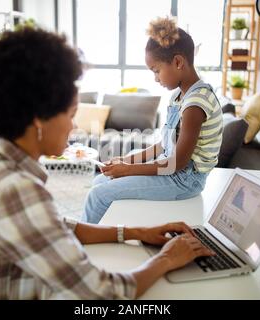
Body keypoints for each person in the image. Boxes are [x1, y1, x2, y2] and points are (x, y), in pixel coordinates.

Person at [0, 28, 213, 300]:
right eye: (71, 114)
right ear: (39, 118)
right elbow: (104, 293)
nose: (73, 127)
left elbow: (53, 227)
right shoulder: (16, 191)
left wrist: (137, 232)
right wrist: (166, 259)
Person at [83, 17, 224, 224]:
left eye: (156, 71)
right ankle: (107, 231)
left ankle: (83, 247)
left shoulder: (195, 103)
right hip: (173, 171)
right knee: (99, 180)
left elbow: (176, 163)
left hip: (184, 180)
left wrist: (128, 170)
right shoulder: (179, 96)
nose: (156, 78)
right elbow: (163, 146)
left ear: (177, 62)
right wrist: (125, 161)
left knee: (97, 196)